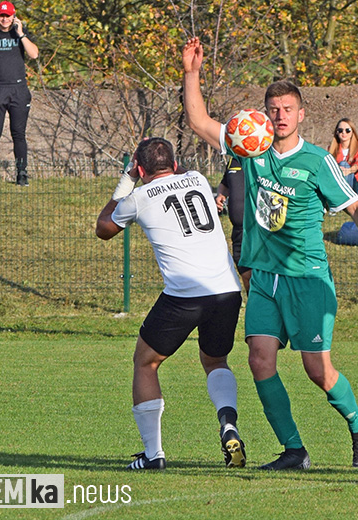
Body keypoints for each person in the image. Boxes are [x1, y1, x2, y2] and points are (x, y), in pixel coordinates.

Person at [182, 37, 358, 471]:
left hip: (307, 278)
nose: (280, 116)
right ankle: (294, 450)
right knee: (259, 360)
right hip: (264, 277)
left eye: (287, 109)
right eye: (274, 109)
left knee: (318, 372)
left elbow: (355, 206)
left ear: (301, 114)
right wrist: (192, 71)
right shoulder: (251, 148)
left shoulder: (318, 161)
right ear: (266, 115)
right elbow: (198, 120)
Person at [95, 138, 245, 471]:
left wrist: (127, 179)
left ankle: (153, 454)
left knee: (145, 362)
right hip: (227, 290)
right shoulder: (198, 180)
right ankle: (229, 425)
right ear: (174, 165)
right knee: (215, 360)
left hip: (184, 294)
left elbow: (103, 228)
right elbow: (180, 174)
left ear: (140, 168)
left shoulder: (138, 198)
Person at [0, 1, 38, 187]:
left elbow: (34, 54)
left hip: (18, 89)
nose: (4, 19)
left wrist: (21, 34)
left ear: (13, 16)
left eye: (8, 16)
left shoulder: (20, 32)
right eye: (1, 15)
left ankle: (22, 174)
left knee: (18, 133)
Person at [215, 156, 252, 293]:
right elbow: (225, 184)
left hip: (257, 231)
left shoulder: (263, 158)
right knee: (245, 274)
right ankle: (253, 303)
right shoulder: (233, 160)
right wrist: (221, 195)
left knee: (257, 276)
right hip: (238, 232)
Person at [328, 118, 358, 201]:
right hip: (338, 183)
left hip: (355, 186)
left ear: (352, 131)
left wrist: (348, 171)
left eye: (347, 130)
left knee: (343, 164)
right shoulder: (332, 148)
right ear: (336, 132)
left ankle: (341, 199)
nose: (344, 133)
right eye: (340, 130)